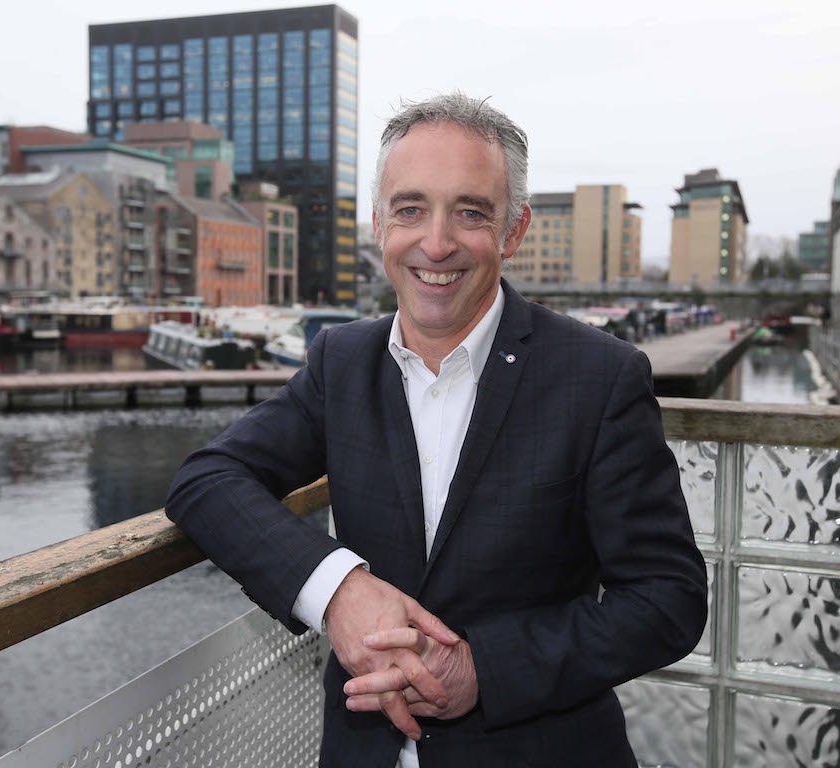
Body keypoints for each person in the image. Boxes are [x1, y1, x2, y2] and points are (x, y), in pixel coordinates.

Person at [166, 92, 707, 767]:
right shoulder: (343, 363)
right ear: (377, 225)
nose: (437, 243)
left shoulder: (599, 377)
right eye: (410, 209)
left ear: (513, 232)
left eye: (471, 212)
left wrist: (486, 669)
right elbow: (207, 480)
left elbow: (667, 600)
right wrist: (338, 592)